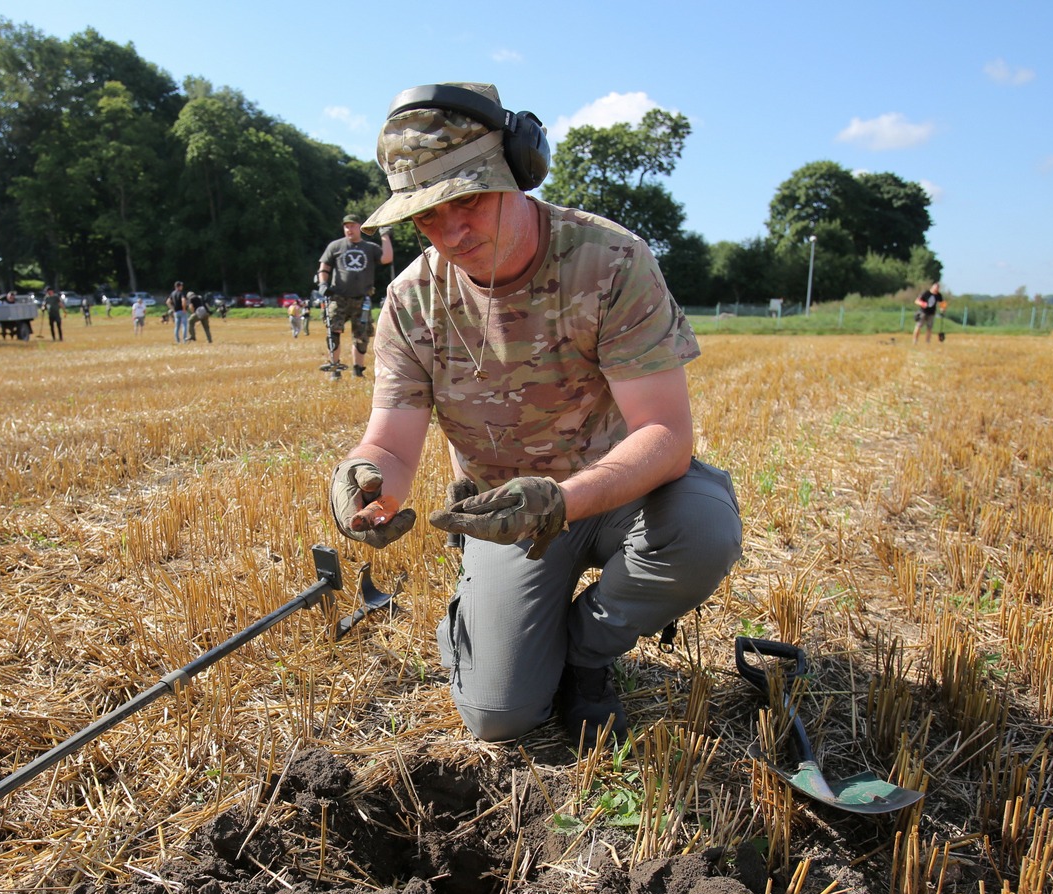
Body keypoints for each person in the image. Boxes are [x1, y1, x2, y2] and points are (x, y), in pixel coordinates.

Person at [328, 82, 743, 746]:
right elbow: (393, 443)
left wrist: (560, 501)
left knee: (701, 527)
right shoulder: (412, 301)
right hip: (507, 516)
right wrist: (361, 485)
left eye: (465, 200)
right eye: (426, 216)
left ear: (520, 171)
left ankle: (586, 656)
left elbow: (666, 436)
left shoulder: (608, 261)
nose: (450, 231)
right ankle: (495, 626)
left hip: (620, 489)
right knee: (501, 715)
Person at [317, 214, 394, 376]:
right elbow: (324, 267)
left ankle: (358, 370)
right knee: (333, 332)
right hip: (338, 298)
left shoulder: (370, 248)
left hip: (362, 299)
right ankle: (335, 368)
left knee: (362, 336)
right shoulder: (335, 246)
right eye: (346, 226)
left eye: (352, 226)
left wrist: (385, 235)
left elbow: (387, 258)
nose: (349, 229)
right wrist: (323, 284)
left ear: (360, 227)